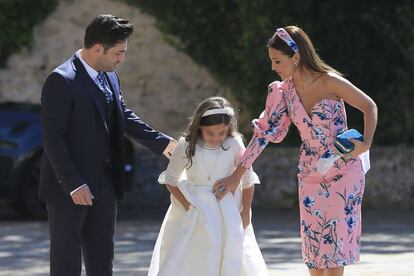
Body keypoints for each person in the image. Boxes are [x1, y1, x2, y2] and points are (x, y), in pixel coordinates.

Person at [213, 26, 377, 276]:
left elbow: (369, 106)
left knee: (334, 249)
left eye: (277, 61)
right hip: (310, 172)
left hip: (344, 172)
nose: (273, 67)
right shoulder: (283, 92)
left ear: (296, 57)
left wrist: (365, 145)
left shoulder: (330, 81)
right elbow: (264, 133)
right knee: (313, 251)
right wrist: (238, 174)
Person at [39, 14, 176, 276]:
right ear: (97, 48)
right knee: (66, 263)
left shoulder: (109, 75)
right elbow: (52, 138)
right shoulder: (61, 80)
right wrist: (73, 183)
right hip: (69, 188)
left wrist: (164, 144)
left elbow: (122, 116)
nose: (122, 59)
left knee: (102, 260)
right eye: (118, 52)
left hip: (105, 185)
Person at [148, 97, 268, 276]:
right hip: (195, 209)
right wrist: (187, 206)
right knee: (196, 252)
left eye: (221, 133)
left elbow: (248, 179)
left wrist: (245, 212)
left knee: (231, 249)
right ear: (199, 127)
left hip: (228, 211)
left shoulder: (234, 143)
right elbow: (171, 180)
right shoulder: (187, 145)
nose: (216, 138)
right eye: (210, 133)